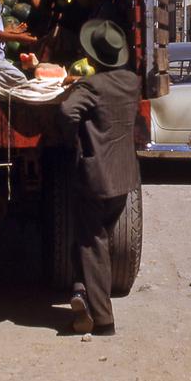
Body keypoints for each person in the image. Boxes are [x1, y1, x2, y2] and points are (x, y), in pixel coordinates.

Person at [57, 19, 141, 336]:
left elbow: (67, 113)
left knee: (92, 245)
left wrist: (73, 139)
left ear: (93, 58)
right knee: (97, 241)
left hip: (95, 177)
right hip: (123, 177)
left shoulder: (91, 87)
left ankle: (104, 320)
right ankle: (81, 292)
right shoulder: (131, 82)